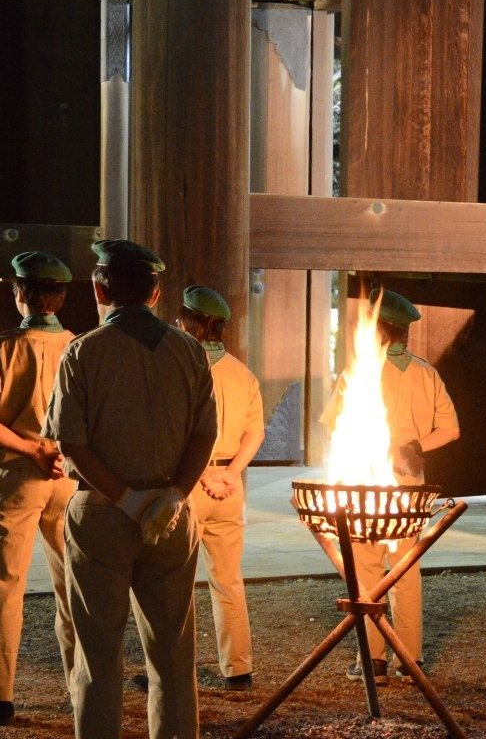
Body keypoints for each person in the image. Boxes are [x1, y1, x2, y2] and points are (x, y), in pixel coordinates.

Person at [45, 239, 217, 739]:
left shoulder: (83, 352)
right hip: (172, 512)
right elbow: (206, 433)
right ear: (157, 292)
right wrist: (173, 495)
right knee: (172, 652)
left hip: (101, 511)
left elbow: (71, 443)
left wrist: (127, 498)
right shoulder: (188, 350)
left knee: (98, 653)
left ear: (100, 288)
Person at [0, 251, 78, 726]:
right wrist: (58, 453)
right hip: (67, 477)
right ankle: (81, 685)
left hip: (18, 477)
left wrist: (32, 450)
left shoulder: (2, 347)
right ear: (61, 296)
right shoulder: (78, 346)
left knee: (6, 586)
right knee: (73, 587)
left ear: (20, 293)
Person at [320, 288, 459, 685]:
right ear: (405, 333)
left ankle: (373, 662)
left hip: (366, 481)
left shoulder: (358, 371)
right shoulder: (427, 373)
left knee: (366, 572)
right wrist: (414, 445)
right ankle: (409, 659)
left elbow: (335, 426)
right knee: (406, 571)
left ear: (376, 330)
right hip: (409, 485)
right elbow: (451, 430)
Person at [175, 284, 265, 691]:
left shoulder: (179, 368)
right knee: (228, 579)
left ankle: (173, 668)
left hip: (189, 483)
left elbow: (175, 435)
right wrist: (231, 473)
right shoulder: (242, 372)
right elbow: (256, 433)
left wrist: (204, 475)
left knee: (174, 579)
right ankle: (238, 669)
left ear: (188, 323)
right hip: (231, 487)